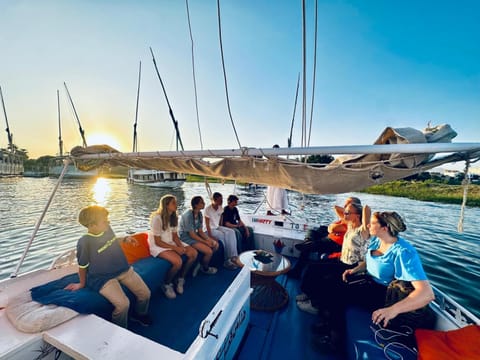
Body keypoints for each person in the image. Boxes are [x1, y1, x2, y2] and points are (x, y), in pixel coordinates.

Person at [312, 211, 435, 353]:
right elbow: (369, 260)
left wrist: (392, 310)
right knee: (330, 282)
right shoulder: (377, 240)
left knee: (337, 294)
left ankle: (334, 343)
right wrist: (355, 270)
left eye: (373, 223)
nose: (368, 225)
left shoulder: (404, 252)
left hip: (383, 293)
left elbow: (427, 293)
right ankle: (328, 323)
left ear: (385, 228)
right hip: (368, 281)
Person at [64, 205, 152, 328]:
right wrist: (82, 284)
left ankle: (139, 314)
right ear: (92, 225)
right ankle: (120, 328)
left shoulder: (107, 229)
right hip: (102, 278)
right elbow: (83, 266)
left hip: (123, 269)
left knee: (145, 294)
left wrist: (126, 239)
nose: (108, 222)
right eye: (105, 221)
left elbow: (113, 240)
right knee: (123, 304)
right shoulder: (85, 242)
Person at [296, 201, 371, 315]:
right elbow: (338, 209)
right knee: (312, 267)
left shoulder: (363, 231)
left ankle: (314, 305)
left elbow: (367, 208)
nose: (344, 215)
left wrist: (360, 205)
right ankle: (309, 294)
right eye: (345, 212)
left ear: (357, 215)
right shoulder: (349, 225)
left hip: (351, 265)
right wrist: (348, 209)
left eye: (348, 213)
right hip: (341, 260)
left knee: (322, 275)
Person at [288, 197, 362, 278]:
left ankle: (297, 271)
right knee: (313, 231)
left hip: (335, 243)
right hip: (332, 236)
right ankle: (308, 242)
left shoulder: (354, 222)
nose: (345, 205)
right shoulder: (347, 216)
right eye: (345, 203)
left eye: (348, 204)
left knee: (307, 247)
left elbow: (333, 228)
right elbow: (336, 208)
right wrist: (347, 211)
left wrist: (332, 227)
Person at [149, 194, 198, 299]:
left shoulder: (174, 217)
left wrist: (181, 247)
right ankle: (167, 284)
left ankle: (181, 278)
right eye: (173, 203)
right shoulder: (157, 219)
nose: (176, 204)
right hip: (159, 245)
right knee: (178, 262)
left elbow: (175, 236)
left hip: (171, 242)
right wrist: (176, 249)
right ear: (166, 205)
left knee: (193, 253)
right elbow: (157, 241)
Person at [179, 196, 218, 276]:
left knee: (215, 245)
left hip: (194, 235)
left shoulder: (200, 214)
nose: (204, 203)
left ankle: (200, 263)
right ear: (196, 205)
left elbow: (200, 231)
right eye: (202, 202)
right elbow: (191, 234)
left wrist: (209, 240)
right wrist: (205, 242)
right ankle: (205, 268)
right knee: (209, 251)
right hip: (186, 237)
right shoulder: (188, 215)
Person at [204, 192, 240, 270]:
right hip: (209, 229)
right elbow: (207, 225)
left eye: (222, 199)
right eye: (220, 200)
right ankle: (226, 260)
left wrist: (222, 227)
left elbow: (221, 218)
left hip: (217, 227)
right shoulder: (208, 209)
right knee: (223, 235)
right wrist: (210, 236)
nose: (221, 201)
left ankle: (234, 256)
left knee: (231, 232)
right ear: (214, 200)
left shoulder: (220, 208)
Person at [266, 144, 290, 215]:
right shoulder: (269, 159)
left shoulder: (280, 160)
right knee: (271, 195)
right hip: (272, 180)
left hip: (279, 179)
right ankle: (269, 211)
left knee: (282, 194)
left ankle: (283, 210)